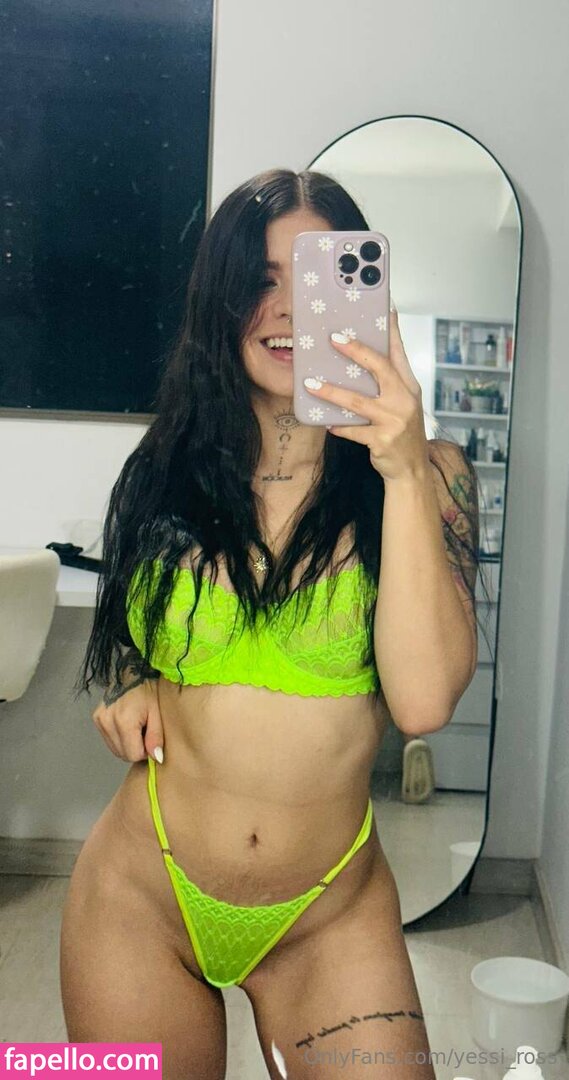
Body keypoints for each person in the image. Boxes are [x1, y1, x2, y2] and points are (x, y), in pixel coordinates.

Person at [60, 168, 480, 1080]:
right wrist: (130, 681)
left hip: (329, 917)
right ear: (219, 301)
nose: (288, 308)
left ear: (363, 293)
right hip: (140, 896)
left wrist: (401, 469)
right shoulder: (169, 466)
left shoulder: (430, 475)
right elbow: (133, 626)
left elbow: (422, 702)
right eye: (259, 279)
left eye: (317, 276)